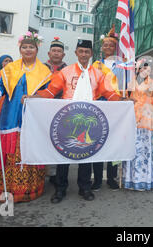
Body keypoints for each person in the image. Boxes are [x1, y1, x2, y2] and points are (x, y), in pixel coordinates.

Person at [34, 39, 121, 204]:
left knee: (86, 154)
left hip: (89, 119)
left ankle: (85, 187)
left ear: (91, 54)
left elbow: (108, 93)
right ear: (76, 53)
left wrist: (122, 100)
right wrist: (35, 97)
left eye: (86, 52)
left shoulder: (98, 74)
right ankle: (60, 189)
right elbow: (51, 91)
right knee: (64, 156)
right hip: (67, 119)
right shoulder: (65, 71)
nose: (83, 54)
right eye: (80, 51)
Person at [0, 32, 52, 203]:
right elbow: (0, 88)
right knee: (8, 153)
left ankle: (29, 189)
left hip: (32, 119)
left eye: (31, 47)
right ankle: (3, 188)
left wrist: (36, 97)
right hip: (10, 116)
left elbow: (48, 93)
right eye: (25, 47)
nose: (28, 50)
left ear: (37, 49)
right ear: (20, 49)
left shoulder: (44, 71)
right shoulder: (9, 69)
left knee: (28, 151)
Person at [92, 25, 126, 191]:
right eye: (105, 45)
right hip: (100, 104)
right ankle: (98, 178)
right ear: (102, 47)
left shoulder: (122, 65)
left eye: (111, 45)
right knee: (98, 141)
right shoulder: (96, 65)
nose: (108, 47)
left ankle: (112, 177)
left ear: (115, 47)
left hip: (116, 106)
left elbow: (126, 85)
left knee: (114, 142)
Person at [122, 60, 153, 191]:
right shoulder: (130, 83)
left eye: (147, 69)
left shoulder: (151, 83)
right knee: (134, 148)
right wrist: (129, 99)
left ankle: (146, 179)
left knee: (146, 149)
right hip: (133, 118)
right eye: (142, 68)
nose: (144, 70)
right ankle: (132, 179)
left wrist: (145, 100)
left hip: (148, 119)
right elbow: (125, 98)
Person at [43, 38, 67, 185]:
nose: (56, 53)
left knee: (59, 141)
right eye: (54, 51)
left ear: (63, 55)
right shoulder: (41, 68)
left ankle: (56, 174)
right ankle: (43, 170)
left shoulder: (68, 69)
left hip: (61, 110)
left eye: (59, 51)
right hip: (44, 109)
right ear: (49, 53)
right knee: (45, 139)